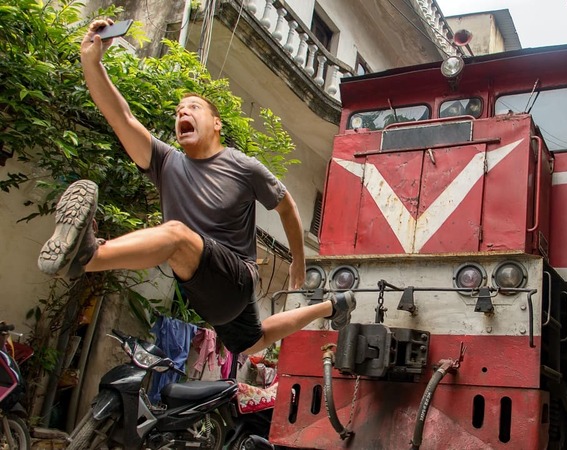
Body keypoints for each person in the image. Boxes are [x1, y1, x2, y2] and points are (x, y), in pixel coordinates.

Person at [37, 19, 355, 355]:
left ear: (216, 123)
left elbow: (286, 206)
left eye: (193, 107)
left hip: (235, 280)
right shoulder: (166, 161)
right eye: (178, 111)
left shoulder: (243, 166)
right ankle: (333, 306)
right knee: (251, 343)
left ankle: (88, 256)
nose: (182, 113)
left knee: (175, 235)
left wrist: (298, 260)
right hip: (202, 290)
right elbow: (122, 118)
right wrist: (91, 61)